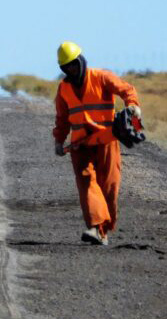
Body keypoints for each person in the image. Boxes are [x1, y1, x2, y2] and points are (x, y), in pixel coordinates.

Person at [53, 41, 141, 245]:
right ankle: (94, 227)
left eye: (74, 64)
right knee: (86, 184)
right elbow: (62, 118)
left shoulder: (101, 77)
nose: (71, 69)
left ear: (81, 60)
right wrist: (59, 140)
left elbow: (126, 90)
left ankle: (103, 231)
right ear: (62, 68)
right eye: (67, 67)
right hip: (80, 146)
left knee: (109, 187)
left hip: (106, 141)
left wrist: (133, 107)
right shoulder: (64, 88)